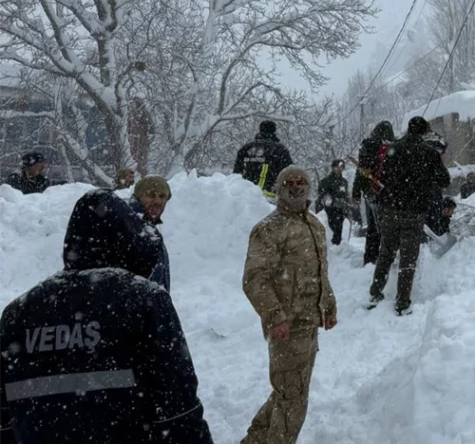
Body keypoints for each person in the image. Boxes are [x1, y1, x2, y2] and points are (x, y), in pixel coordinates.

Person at [0, 190, 213, 443]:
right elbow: (177, 402)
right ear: (125, 238)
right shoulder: (143, 299)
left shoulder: (20, 311)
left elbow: (4, 415)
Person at [241, 166, 337, 444]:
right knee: (293, 398)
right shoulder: (269, 228)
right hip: (287, 327)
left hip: (309, 325)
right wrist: (275, 317)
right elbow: (254, 279)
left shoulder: (315, 225)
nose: (296, 187)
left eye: (301, 182)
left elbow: (320, 273)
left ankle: (256, 440)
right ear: (280, 188)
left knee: (289, 391)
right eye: (289, 183)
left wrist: (328, 305)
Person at [368, 117, 450, 315]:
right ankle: (402, 301)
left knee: (386, 252)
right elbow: (444, 179)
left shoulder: (392, 150)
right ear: (423, 132)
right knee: (408, 257)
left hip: (390, 208)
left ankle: (375, 292)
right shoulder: (429, 153)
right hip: (414, 210)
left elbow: (382, 176)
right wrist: (426, 177)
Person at [355, 121, 395, 265]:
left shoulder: (367, 145)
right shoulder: (395, 145)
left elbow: (360, 171)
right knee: (388, 226)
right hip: (389, 193)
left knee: (373, 226)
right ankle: (387, 258)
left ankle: (371, 258)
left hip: (370, 191)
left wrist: (356, 193)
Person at [131, 175, 173, 291]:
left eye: (162, 196)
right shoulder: (131, 229)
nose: (157, 201)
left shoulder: (149, 228)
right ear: (138, 197)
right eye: (150, 195)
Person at [233, 120, 294, 197]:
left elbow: (236, 174)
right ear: (274, 131)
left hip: (244, 196)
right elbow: (290, 174)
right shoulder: (280, 150)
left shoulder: (245, 149)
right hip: (269, 197)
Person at [315, 159, 350, 245]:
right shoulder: (325, 181)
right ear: (332, 168)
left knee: (340, 230)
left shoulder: (344, 182)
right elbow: (322, 196)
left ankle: (339, 248)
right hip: (329, 210)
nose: (339, 169)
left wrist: (348, 204)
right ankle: (332, 248)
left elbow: (346, 195)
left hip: (341, 210)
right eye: (337, 167)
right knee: (331, 230)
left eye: (341, 167)